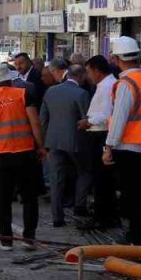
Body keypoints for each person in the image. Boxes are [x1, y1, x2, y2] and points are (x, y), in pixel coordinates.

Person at [0, 63, 45, 250]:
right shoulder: (23, 95)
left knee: (3, 199)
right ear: (9, 79)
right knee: (29, 197)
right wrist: (41, 146)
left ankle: (6, 240)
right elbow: (35, 124)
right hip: (25, 153)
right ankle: (29, 238)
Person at [103, 37, 141, 246]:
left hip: (127, 145)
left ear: (117, 59)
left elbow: (118, 120)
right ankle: (137, 234)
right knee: (137, 191)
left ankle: (135, 238)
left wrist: (108, 147)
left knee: (130, 193)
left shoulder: (126, 84)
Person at [40, 59, 90, 227]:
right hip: (75, 141)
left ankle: (57, 218)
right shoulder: (81, 94)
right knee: (84, 172)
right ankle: (79, 205)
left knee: (56, 180)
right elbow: (86, 120)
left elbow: (43, 120)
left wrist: (44, 142)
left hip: (53, 141)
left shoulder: (50, 92)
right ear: (81, 76)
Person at [77, 55, 120, 229]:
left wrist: (88, 121)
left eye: (88, 71)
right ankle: (103, 215)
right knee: (100, 179)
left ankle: (103, 218)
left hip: (101, 133)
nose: (87, 76)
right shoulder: (104, 85)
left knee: (102, 179)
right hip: (97, 132)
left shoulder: (108, 86)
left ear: (96, 70)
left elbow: (107, 114)